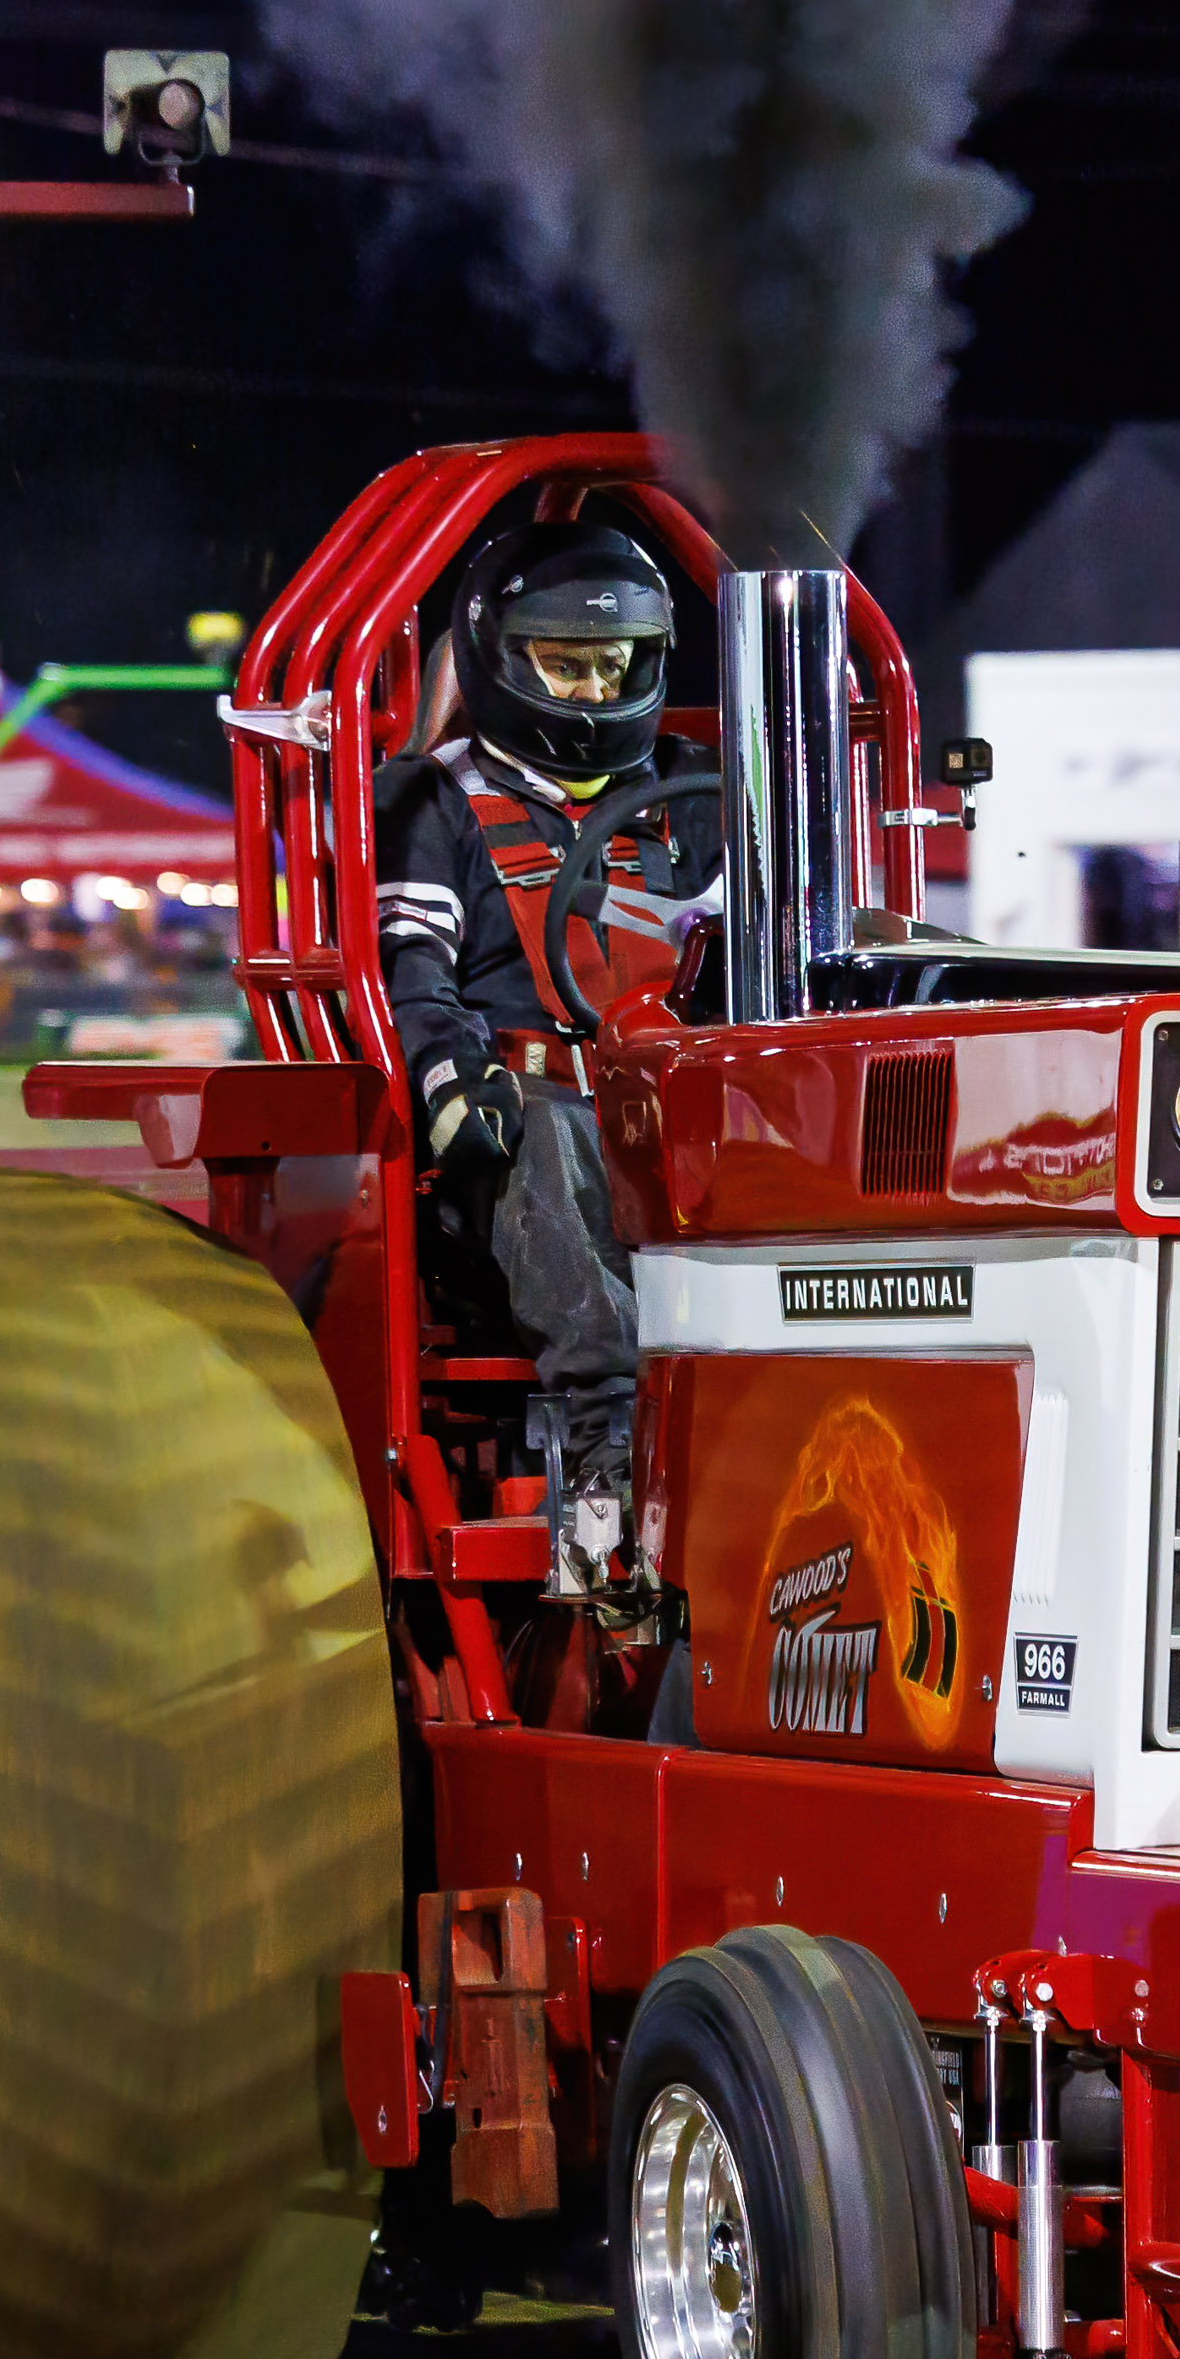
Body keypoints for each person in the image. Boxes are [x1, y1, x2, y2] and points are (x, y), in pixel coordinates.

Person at [374, 520, 721, 1602]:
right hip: (508, 1139)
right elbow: (411, 977)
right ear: (499, 661)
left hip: (681, 1119)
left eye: (610, 667)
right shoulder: (432, 800)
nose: (587, 693)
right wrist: (447, 1071)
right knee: (551, 1128)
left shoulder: (697, 797)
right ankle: (610, 1464)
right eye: (563, 667)